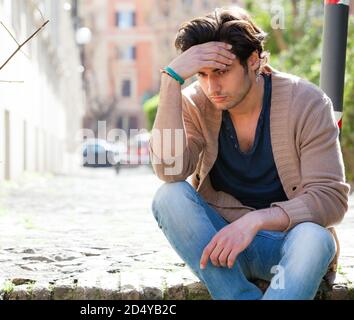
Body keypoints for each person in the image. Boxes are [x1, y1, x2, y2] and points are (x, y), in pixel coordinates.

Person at [149, 7, 350, 300]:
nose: (211, 86)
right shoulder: (195, 104)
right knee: (168, 196)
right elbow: (169, 169)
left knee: (316, 238)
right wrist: (171, 80)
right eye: (202, 74)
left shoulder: (307, 102)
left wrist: (255, 221)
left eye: (221, 72)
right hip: (225, 251)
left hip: (287, 248)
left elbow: (331, 199)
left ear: (254, 61)